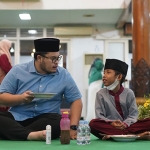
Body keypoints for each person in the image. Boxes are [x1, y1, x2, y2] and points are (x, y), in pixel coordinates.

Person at [0, 38, 82, 141]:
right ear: (39, 58)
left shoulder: (63, 75)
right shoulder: (18, 71)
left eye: (58, 58)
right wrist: (21, 98)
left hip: (47, 120)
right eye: (53, 59)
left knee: (58, 121)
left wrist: (73, 127)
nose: (57, 62)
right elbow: (1, 97)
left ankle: (14, 133)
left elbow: (76, 100)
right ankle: (31, 135)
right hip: (17, 118)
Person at [89, 59, 150, 140]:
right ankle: (134, 135)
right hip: (110, 126)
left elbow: (133, 115)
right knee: (93, 124)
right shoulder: (100, 94)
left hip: (128, 126)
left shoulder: (129, 93)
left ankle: (115, 135)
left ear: (119, 77)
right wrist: (111, 123)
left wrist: (125, 124)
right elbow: (99, 117)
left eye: (108, 72)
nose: (104, 75)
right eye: (104, 72)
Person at [0, 39, 12, 112]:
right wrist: (15, 71)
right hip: (2, 79)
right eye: (9, 47)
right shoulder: (2, 55)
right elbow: (6, 67)